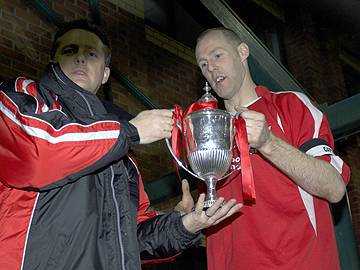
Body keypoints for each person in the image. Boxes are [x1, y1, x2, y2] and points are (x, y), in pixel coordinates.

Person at [0, 21, 242, 270]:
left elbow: (129, 239)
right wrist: (131, 131)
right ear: (53, 61)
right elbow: (38, 155)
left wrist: (185, 225)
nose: (81, 58)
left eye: (91, 53)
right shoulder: (22, 96)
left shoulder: (124, 155)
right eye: (70, 50)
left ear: (105, 74)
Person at [182, 27, 350, 270]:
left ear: (242, 52)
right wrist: (183, 220)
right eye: (203, 64)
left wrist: (268, 143)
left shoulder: (290, 105)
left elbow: (334, 188)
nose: (211, 68)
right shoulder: (206, 135)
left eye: (218, 56)